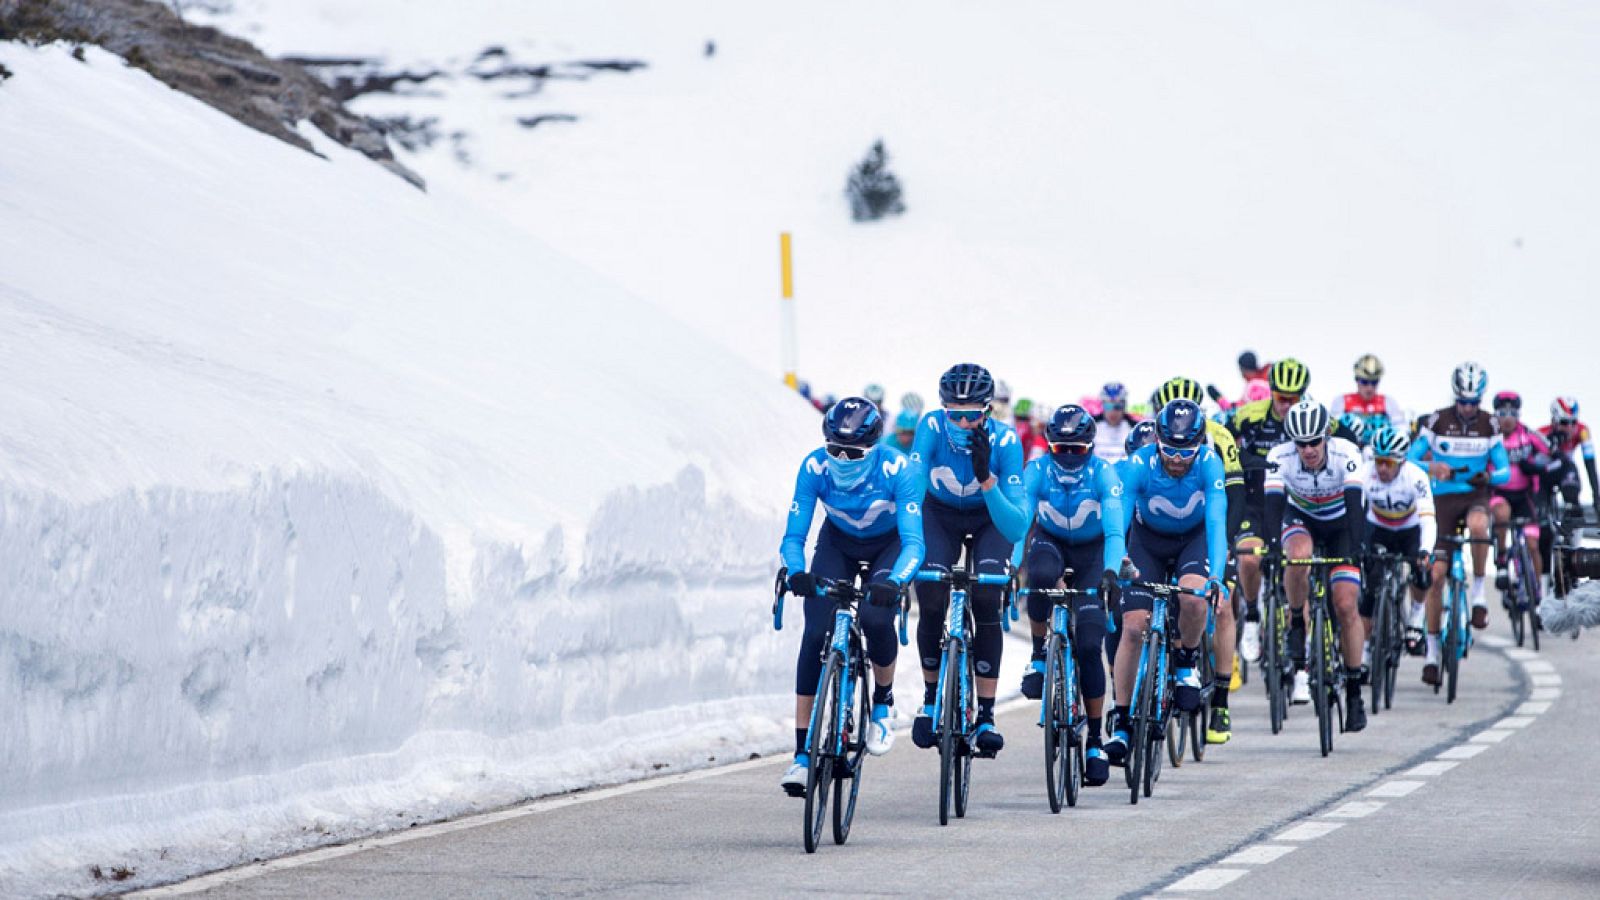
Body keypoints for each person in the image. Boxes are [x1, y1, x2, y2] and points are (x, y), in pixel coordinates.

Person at [778, 398, 925, 794]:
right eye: (834, 449)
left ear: (873, 448)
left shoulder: (898, 468)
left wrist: (895, 581)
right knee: (813, 635)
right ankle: (802, 755)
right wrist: (796, 572)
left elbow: (914, 543)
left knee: (876, 619)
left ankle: (882, 701)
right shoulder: (814, 466)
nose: (842, 458)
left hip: (888, 546)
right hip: (838, 543)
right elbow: (795, 536)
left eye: (853, 452)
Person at [909, 364, 1030, 757]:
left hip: (989, 520)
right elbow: (910, 488)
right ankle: (930, 699)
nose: (961, 422)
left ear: (987, 411)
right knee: (929, 596)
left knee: (985, 599)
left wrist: (987, 479)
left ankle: (987, 715)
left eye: (971, 415)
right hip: (939, 515)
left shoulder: (1007, 441)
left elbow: (1014, 527)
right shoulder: (930, 427)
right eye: (953, 414)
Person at [1103, 400, 1230, 763]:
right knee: (1132, 626)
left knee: (1193, 599)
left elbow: (1217, 523)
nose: (1177, 459)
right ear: (1156, 441)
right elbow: (1119, 522)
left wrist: (1217, 577)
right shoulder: (1139, 464)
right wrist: (1114, 567)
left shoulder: (1209, 463)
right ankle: (1123, 721)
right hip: (1147, 543)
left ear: (1200, 444)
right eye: (1169, 451)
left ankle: (1186, 662)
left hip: (1193, 540)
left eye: (1186, 451)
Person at [1012, 405, 1125, 786]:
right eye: (1063, 449)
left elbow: (1114, 531)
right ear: (1050, 447)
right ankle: (1040, 654)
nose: (1072, 457)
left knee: (1091, 645)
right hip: (1051, 543)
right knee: (1040, 575)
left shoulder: (1103, 473)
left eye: (1079, 449)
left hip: (1093, 553)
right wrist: (1013, 565)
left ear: (1091, 448)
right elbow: (1021, 521)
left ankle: (1094, 739)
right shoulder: (1037, 471)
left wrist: (1110, 572)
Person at [1151, 376, 1246, 743]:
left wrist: (1228, 545)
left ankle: (1220, 703)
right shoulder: (1152, 437)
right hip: (1163, 528)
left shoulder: (1219, 438)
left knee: (1221, 605)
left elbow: (1235, 496)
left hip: (1211, 527)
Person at [1265, 400, 1369, 730]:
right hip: (1302, 517)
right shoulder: (1279, 458)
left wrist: (1357, 550)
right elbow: (1272, 507)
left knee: (1346, 605)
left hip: (1341, 523)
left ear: (1326, 435)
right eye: (1301, 443)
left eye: (1314, 442)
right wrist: (1271, 549)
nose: (1308, 450)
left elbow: (1356, 507)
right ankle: (1297, 620)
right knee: (1296, 557)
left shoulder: (1347, 453)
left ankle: (1354, 692)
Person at [1408, 362, 1509, 685]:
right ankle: (1433, 654)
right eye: (1463, 402)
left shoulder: (1489, 424)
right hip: (1442, 499)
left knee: (1480, 526)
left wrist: (1490, 475)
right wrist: (1431, 465)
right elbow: (1409, 459)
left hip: (1474, 493)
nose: (1468, 408)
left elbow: (1504, 470)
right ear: (1455, 398)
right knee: (1436, 577)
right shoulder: (1437, 420)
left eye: (1474, 402)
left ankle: (1479, 595)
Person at [1231, 358, 1315, 668]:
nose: (1286, 405)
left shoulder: (1311, 418)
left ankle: (1302, 661)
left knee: (1298, 569)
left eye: (1294, 399)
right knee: (1249, 557)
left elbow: (1348, 440)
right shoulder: (1250, 415)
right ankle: (1252, 615)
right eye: (1281, 398)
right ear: (1272, 393)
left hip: (1293, 506)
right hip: (1255, 503)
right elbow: (1220, 440)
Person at [1362, 426, 1437, 665]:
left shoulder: (1416, 476)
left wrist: (1425, 551)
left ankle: (1416, 617)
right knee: (1370, 587)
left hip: (1409, 531)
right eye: (1379, 462)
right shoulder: (1365, 473)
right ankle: (1363, 652)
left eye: (1388, 463)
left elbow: (1428, 519)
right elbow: (1354, 511)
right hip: (1378, 529)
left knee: (1422, 574)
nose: (1382, 468)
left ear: (1401, 462)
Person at [1489, 392, 1555, 598]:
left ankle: (1536, 595)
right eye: (1502, 413)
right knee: (1501, 513)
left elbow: (1550, 452)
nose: (1507, 418)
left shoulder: (1528, 434)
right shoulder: (1490, 436)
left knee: (1533, 545)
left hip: (1525, 495)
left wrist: (1535, 464)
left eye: (1512, 413)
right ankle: (1501, 561)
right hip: (1499, 493)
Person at [1539, 397, 1600, 521]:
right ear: (1554, 421)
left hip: (1566, 470)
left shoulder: (1582, 431)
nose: (1570, 428)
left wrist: (1596, 495)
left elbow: (1589, 463)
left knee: (1574, 504)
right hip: (1544, 472)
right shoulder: (1541, 434)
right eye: (1564, 422)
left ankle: (1573, 535)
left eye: (1573, 422)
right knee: (1540, 512)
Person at [1331, 354, 1406, 433]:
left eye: (1374, 382)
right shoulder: (1341, 401)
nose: (1370, 388)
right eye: (1364, 382)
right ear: (1356, 380)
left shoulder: (1389, 402)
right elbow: (1332, 429)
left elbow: (1401, 428)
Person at [1093, 382, 1137, 463]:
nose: (1113, 412)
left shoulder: (1134, 428)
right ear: (1102, 405)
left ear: (1124, 406)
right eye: (1108, 406)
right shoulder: (1092, 427)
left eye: (1118, 406)